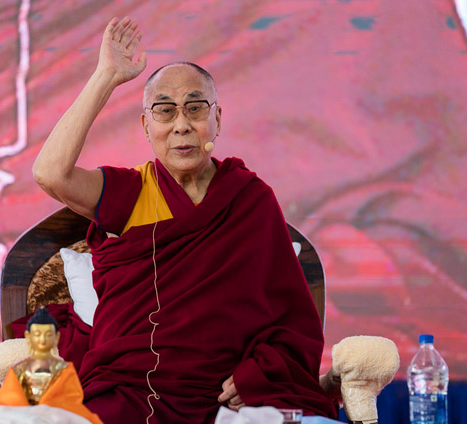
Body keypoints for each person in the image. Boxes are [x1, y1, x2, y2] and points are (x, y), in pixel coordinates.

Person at [30, 16, 337, 423]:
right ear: (146, 125)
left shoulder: (250, 200)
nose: (181, 125)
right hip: (132, 389)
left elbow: (290, 319)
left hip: (228, 394)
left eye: (195, 108)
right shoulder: (130, 192)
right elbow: (51, 174)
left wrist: (260, 373)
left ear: (217, 119)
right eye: (164, 110)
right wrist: (106, 76)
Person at [0, 307, 103, 424]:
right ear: (28, 337)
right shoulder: (20, 368)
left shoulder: (64, 369)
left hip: (56, 417)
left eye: (48, 335)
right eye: (37, 335)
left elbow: (72, 401)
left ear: (56, 338)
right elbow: (7, 401)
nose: (42, 340)